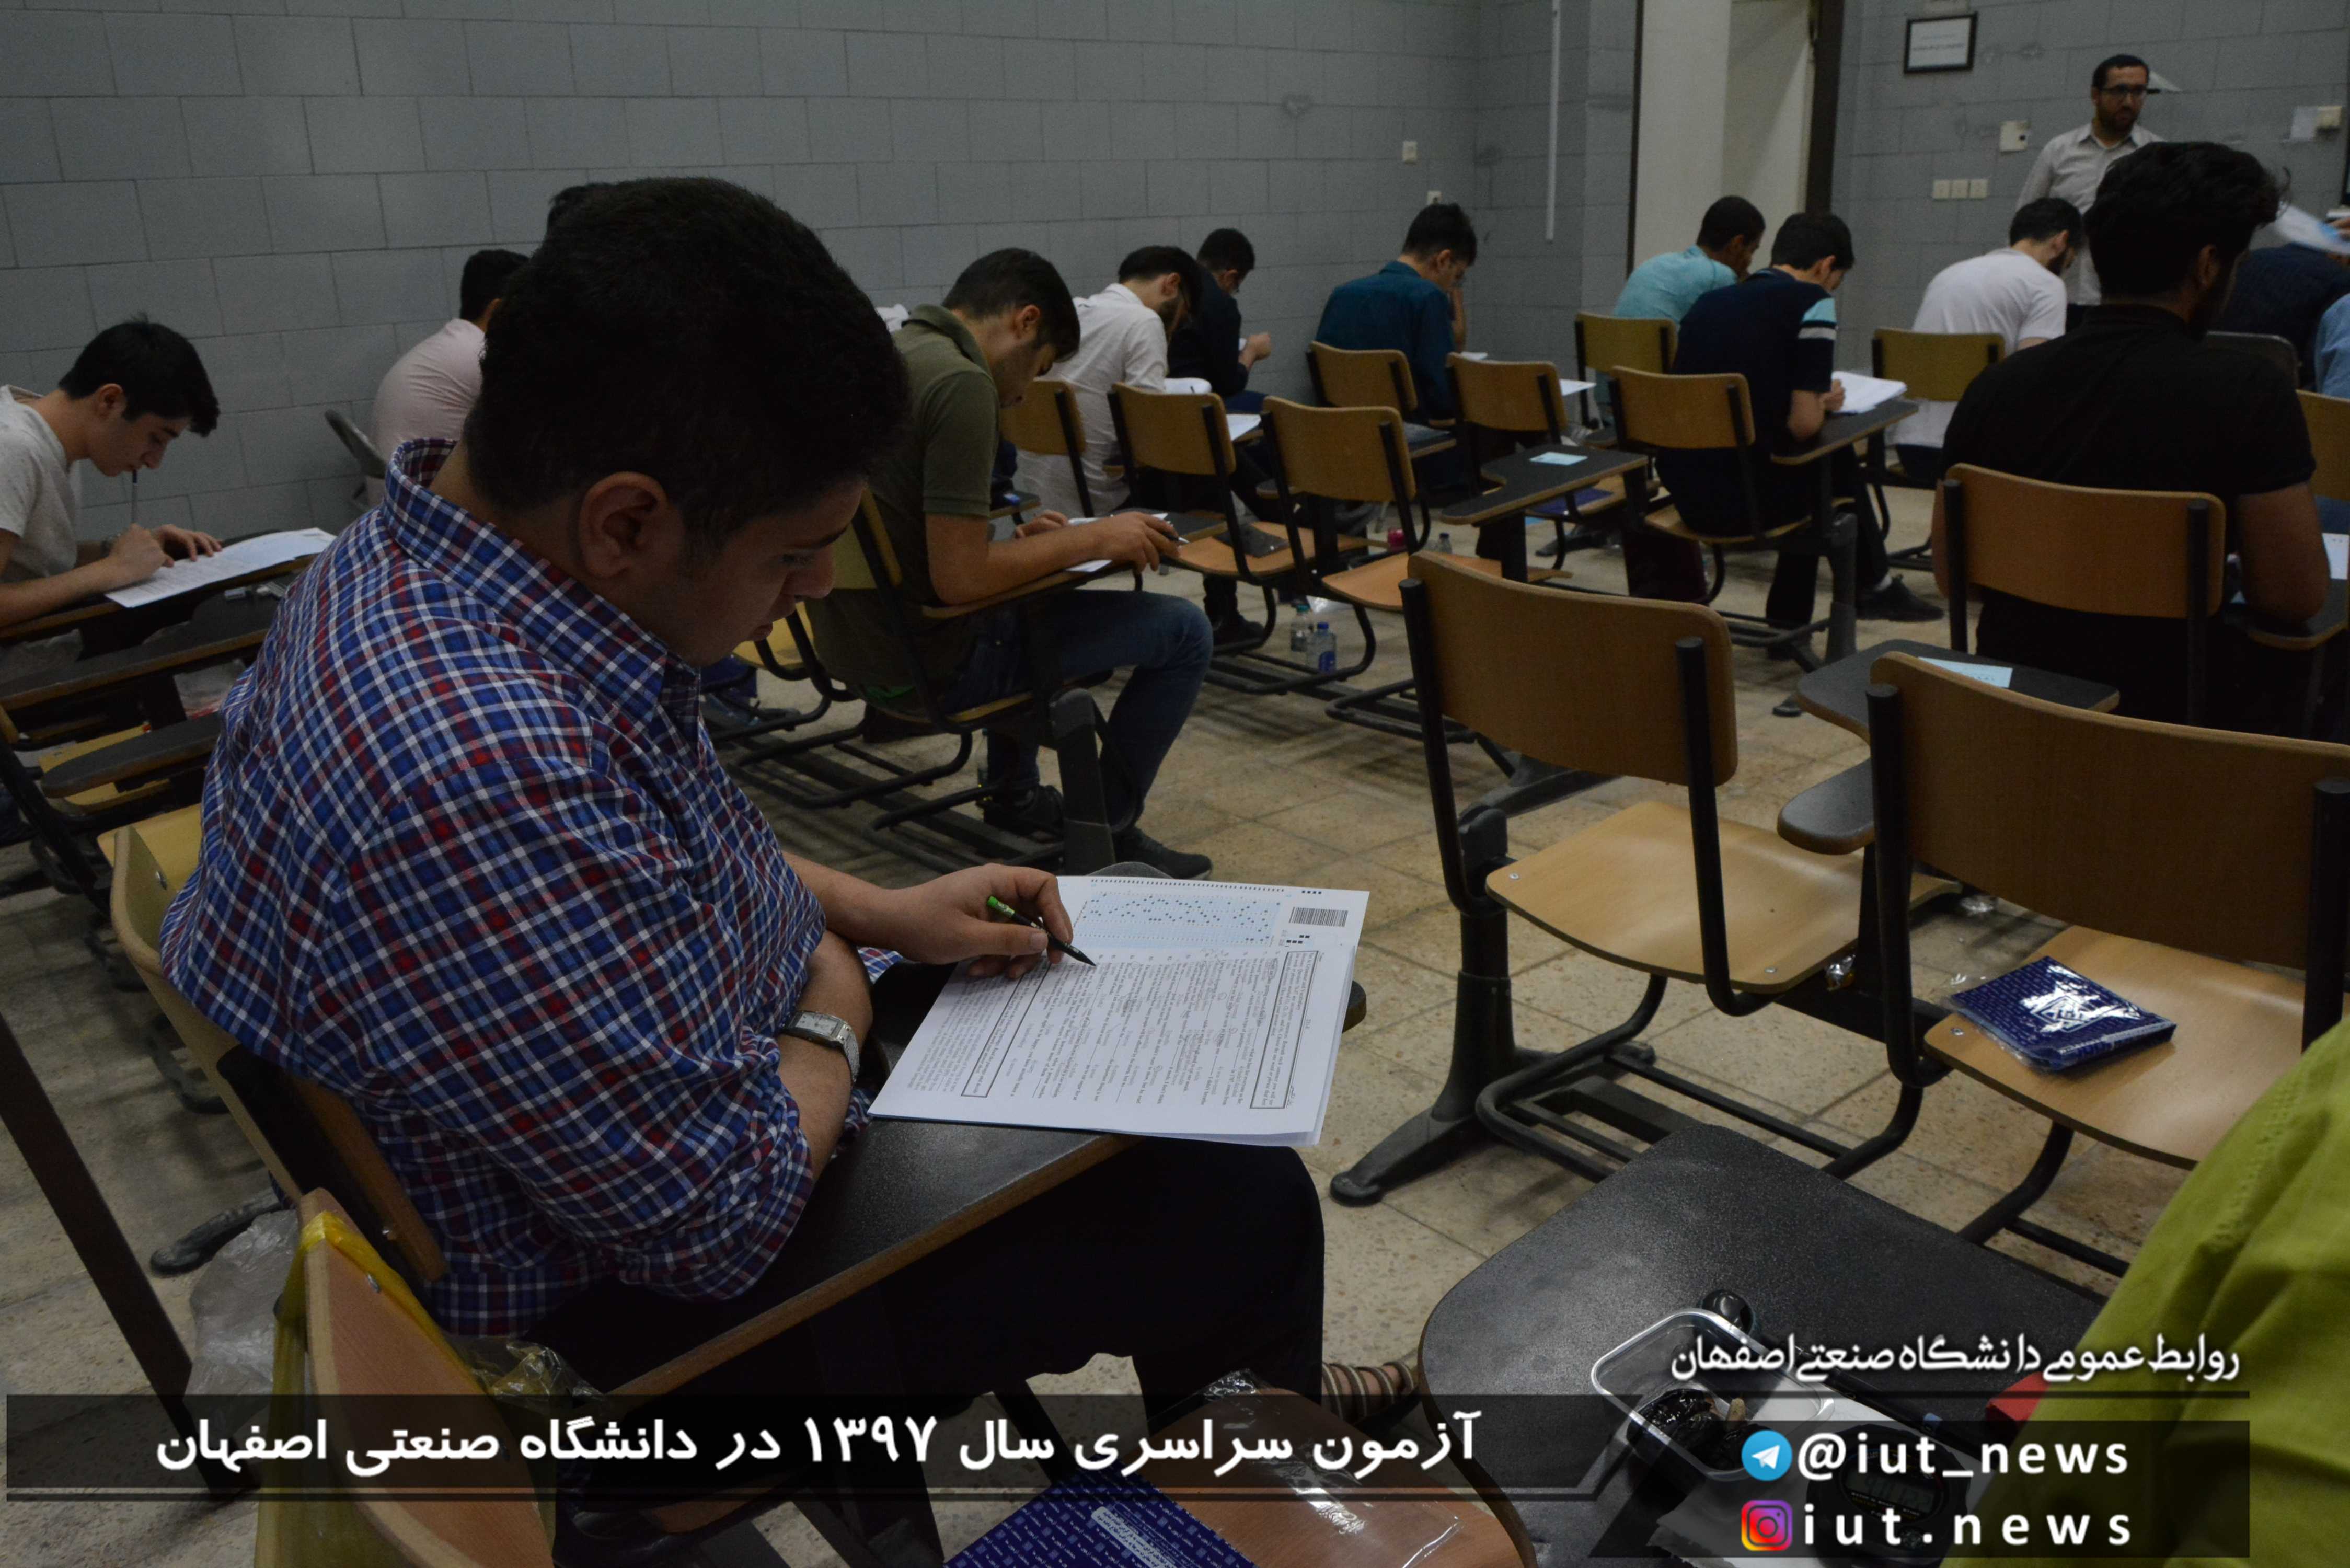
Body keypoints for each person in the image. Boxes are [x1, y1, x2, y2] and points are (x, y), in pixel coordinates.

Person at [159, 181, 1359, 1415]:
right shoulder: (484, 763)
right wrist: (835, 999)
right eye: (793, 551)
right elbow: (717, 1224)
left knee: (1122, 1033)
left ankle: (1256, 1415)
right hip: (647, 1330)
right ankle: (1264, 1469)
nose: (821, 583)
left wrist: (880, 911)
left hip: (653, 1109)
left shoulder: (415, 567)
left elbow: (658, 853)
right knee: (1232, 1203)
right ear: (627, 521)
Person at [810, 248, 1214, 878]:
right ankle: (1103, 829)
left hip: (853, 648)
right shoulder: (962, 384)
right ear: (1025, 322)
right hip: (929, 664)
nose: (1025, 393)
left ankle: (1015, 794)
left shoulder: (894, 355)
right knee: (1184, 631)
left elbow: (923, 545)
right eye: (1040, 366)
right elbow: (962, 580)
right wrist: (1093, 538)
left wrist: (1025, 546)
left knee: (1034, 592)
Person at [1937, 143, 2328, 729]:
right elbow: (2293, 597)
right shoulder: (2248, 392)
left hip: (2016, 717)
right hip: (2170, 730)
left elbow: (1954, 579)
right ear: (2208, 266)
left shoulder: (1995, 386)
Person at [1622, 213, 1940, 636]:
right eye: (1837, 281)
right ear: (1826, 266)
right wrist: (1820, 404)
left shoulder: (1711, 302)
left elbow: (1744, 391)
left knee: (1813, 466)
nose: (1833, 290)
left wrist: (1811, 400)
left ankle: (1803, 616)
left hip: (1686, 494)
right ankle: (1864, 590)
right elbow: (1804, 426)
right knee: (1830, 460)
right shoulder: (1813, 302)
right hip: (1750, 506)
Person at [0, 319, 223, 670]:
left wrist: (117, 550)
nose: (154, 462)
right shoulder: (12, 448)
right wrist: (112, 570)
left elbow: (31, 562)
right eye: (156, 438)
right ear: (110, 400)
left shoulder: (50, 441)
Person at [1890, 198, 2081, 487]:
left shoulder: (1948, 274)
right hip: (1981, 453)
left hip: (1912, 445)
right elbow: (2036, 379)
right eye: (2072, 258)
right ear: (2062, 241)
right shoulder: (2046, 285)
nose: (2067, 266)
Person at [1010, 246, 1202, 523]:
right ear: (1171, 284)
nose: (1177, 326)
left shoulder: (1072, 310)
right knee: (1205, 473)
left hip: (1038, 499)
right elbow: (1149, 433)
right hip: (1098, 500)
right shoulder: (1144, 322)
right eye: (1184, 314)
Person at [2017, 53, 2162, 317]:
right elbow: (2024, 221)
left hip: (2124, 299)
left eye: (2138, 91)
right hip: (2058, 296)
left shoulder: (2156, 154)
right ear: (2096, 95)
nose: (2129, 102)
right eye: (2119, 91)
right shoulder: (2060, 150)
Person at [1314, 202, 1478, 423]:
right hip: (1405, 436)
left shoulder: (1341, 295)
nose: (1451, 287)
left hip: (1343, 431)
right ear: (1443, 260)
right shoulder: (1429, 298)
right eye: (1457, 276)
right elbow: (1443, 401)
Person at [370, 248, 528, 458]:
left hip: (398, 477)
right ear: (498, 311)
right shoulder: (480, 354)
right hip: (421, 478)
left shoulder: (453, 344)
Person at [2211, 234, 2350, 385]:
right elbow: (2319, 366)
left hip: (2209, 373)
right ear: (2341, 252)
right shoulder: (2340, 282)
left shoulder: (2250, 259)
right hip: (2269, 388)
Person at [1612, 196, 1766, 323]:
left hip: (1614, 351)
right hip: (1659, 352)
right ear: (1737, 245)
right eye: (1752, 251)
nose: (1750, 262)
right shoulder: (1719, 275)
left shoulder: (1655, 264)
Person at [1169, 227, 1272, 409]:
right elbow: (1228, 386)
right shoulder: (1222, 304)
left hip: (1157, 398)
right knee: (1277, 410)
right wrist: (1252, 352)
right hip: (1195, 405)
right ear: (1230, 276)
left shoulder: (1173, 284)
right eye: (1236, 287)